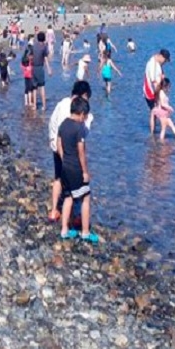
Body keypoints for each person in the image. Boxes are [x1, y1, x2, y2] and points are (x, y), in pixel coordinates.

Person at [48, 81, 93, 222]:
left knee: (58, 178)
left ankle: (54, 210)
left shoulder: (61, 104)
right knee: (79, 186)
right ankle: (76, 215)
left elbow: (53, 125)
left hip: (56, 146)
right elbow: (81, 139)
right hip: (71, 155)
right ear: (84, 95)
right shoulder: (80, 113)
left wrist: (53, 144)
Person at [56, 97, 99, 244]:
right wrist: (85, 171)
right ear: (81, 114)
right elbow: (81, 151)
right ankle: (85, 232)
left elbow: (59, 144)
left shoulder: (63, 125)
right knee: (85, 197)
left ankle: (64, 230)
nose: (84, 120)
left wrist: (64, 160)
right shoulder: (78, 128)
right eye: (85, 117)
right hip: (75, 168)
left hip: (65, 167)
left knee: (68, 197)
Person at [143, 49, 170, 134]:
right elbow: (155, 85)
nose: (165, 62)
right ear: (161, 56)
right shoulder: (153, 66)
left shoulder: (156, 61)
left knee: (154, 113)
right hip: (151, 93)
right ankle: (154, 133)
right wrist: (158, 96)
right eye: (165, 60)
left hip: (151, 90)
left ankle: (153, 133)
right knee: (155, 112)